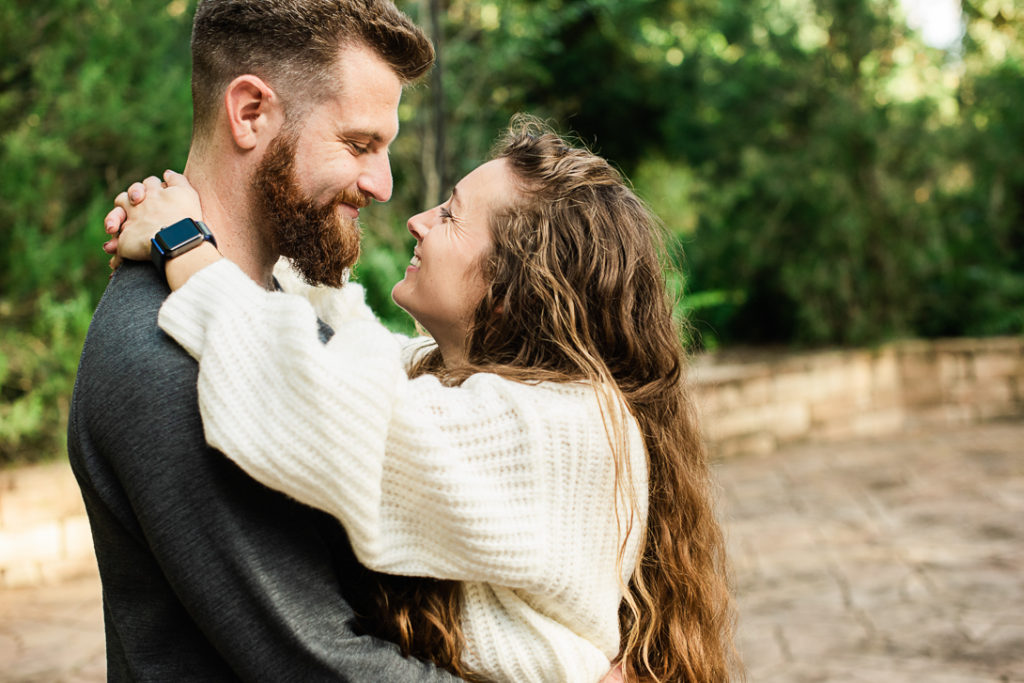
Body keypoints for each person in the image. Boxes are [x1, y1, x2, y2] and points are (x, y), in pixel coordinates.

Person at [107, 117, 739, 682]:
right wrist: (212, 225)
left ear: (511, 291)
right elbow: (353, 351)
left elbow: (317, 406)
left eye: (451, 214)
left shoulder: (564, 427)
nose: (418, 218)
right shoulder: (455, 379)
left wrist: (184, 244)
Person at [68, 0, 463, 679]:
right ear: (250, 112)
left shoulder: (260, 312)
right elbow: (320, 662)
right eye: (360, 144)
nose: (384, 184)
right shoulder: (168, 353)